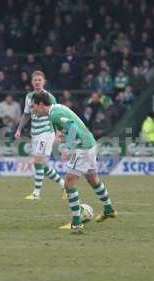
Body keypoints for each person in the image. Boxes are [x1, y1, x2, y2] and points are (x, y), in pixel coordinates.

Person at [31, 92, 117, 233]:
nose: (33, 110)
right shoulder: (56, 109)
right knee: (93, 179)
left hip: (81, 147)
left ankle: (76, 223)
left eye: (33, 106)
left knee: (69, 183)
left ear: (41, 104)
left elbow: (72, 127)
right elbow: (67, 128)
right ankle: (109, 209)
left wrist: (68, 147)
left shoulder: (55, 114)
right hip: (89, 143)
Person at [14, 71, 65, 200]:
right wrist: (19, 129)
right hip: (35, 134)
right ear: (32, 82)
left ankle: (36, 193)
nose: (37, 82)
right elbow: (26, 115)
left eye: (39, 80)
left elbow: (56, 115)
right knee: (43, 165)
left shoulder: (50, 97)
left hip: (47, 133)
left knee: (38, 161)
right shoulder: (29, 97)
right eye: (35, 80)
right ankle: (64, 185)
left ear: (44, 82)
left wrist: (58, 133)